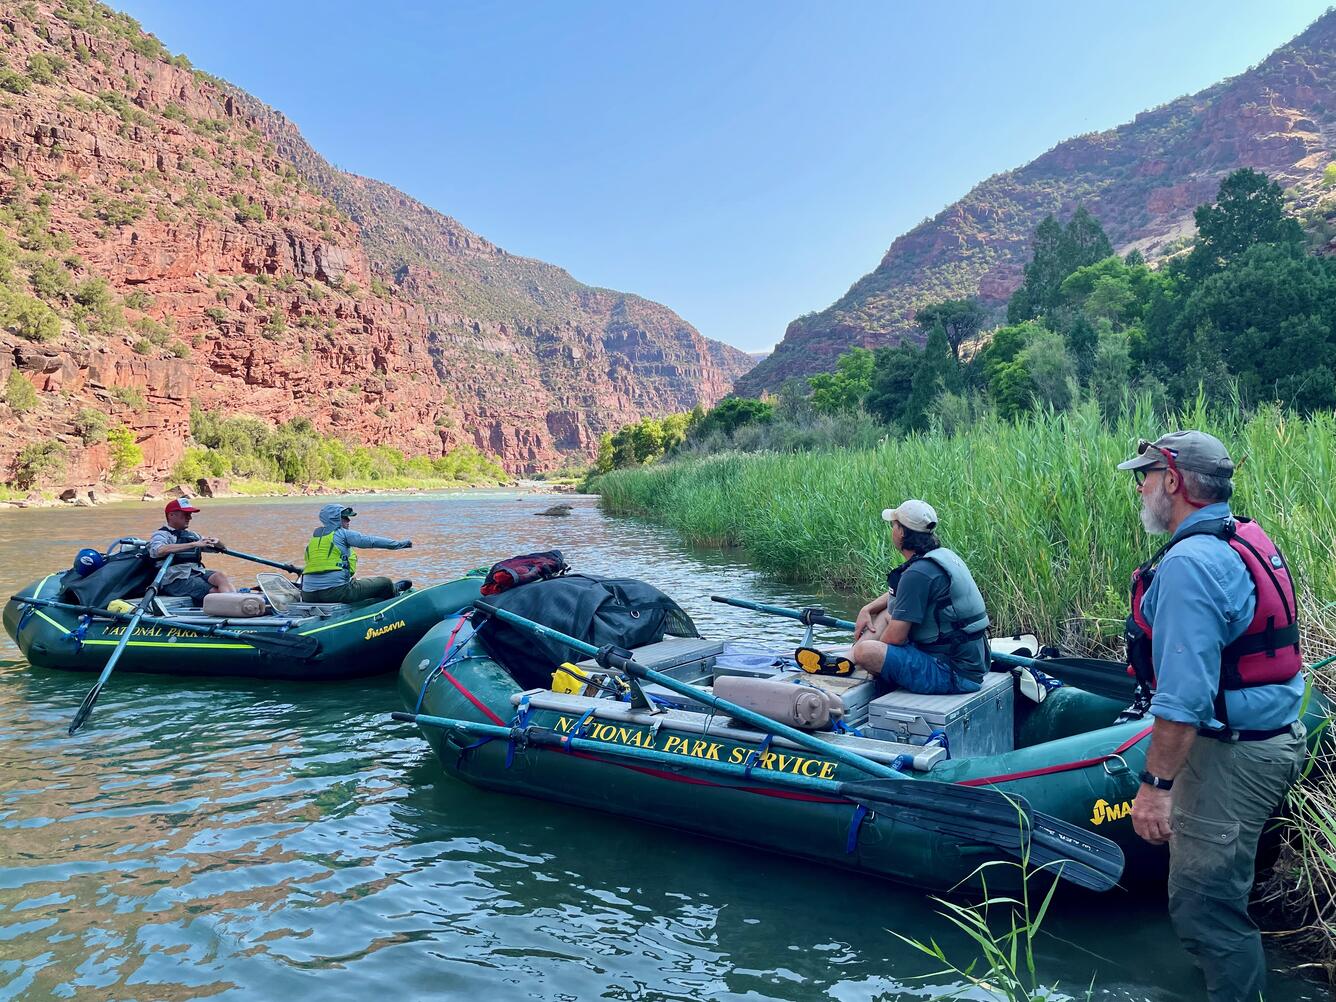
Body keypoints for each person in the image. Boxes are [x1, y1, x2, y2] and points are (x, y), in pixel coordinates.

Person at [1120, 430, 1306, 1002]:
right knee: (1220, 899)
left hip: (1234, 756)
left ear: (1173, 481)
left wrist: (1155, 788)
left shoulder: (1191, 564)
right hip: (1274, 735)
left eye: (1145, 476)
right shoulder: (1241, 536)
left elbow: (1184, 697)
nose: (1141, 488)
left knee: (1206, 910)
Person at [850, 499, 990, 695]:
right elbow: (903, 595)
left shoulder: (917, 574)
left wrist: (874, 649)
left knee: (866, 652)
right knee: (885, 613)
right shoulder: (940, 557)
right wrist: (868, 608)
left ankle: (852, 658)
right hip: (970, 663)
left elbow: (894, 639)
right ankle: (847, 661)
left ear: (901, 533)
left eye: (894, 525)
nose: (892, 530)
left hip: (953, 674)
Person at [301, 504, 413, 604]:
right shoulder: (342, 534)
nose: (349, 520)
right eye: (345, 517)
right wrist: (399, 544)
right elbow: (371, 541)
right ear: (334, 519)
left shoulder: (313, 541)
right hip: (337, 592)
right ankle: (394, 589)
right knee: (385, 582)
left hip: (308, 595)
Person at [148, 497, 234, 605]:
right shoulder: (161, 534)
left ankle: (236, 603)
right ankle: (233, 607)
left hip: (197, 572)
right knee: (215, 591)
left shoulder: (193, 535)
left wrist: (218, 543)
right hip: (175, 580)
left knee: (221, 576)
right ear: (171, 515)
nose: (189, 518)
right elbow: (158, 550)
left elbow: (221, 549)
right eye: (185, 514)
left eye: (190, 514)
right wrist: (193, 544)